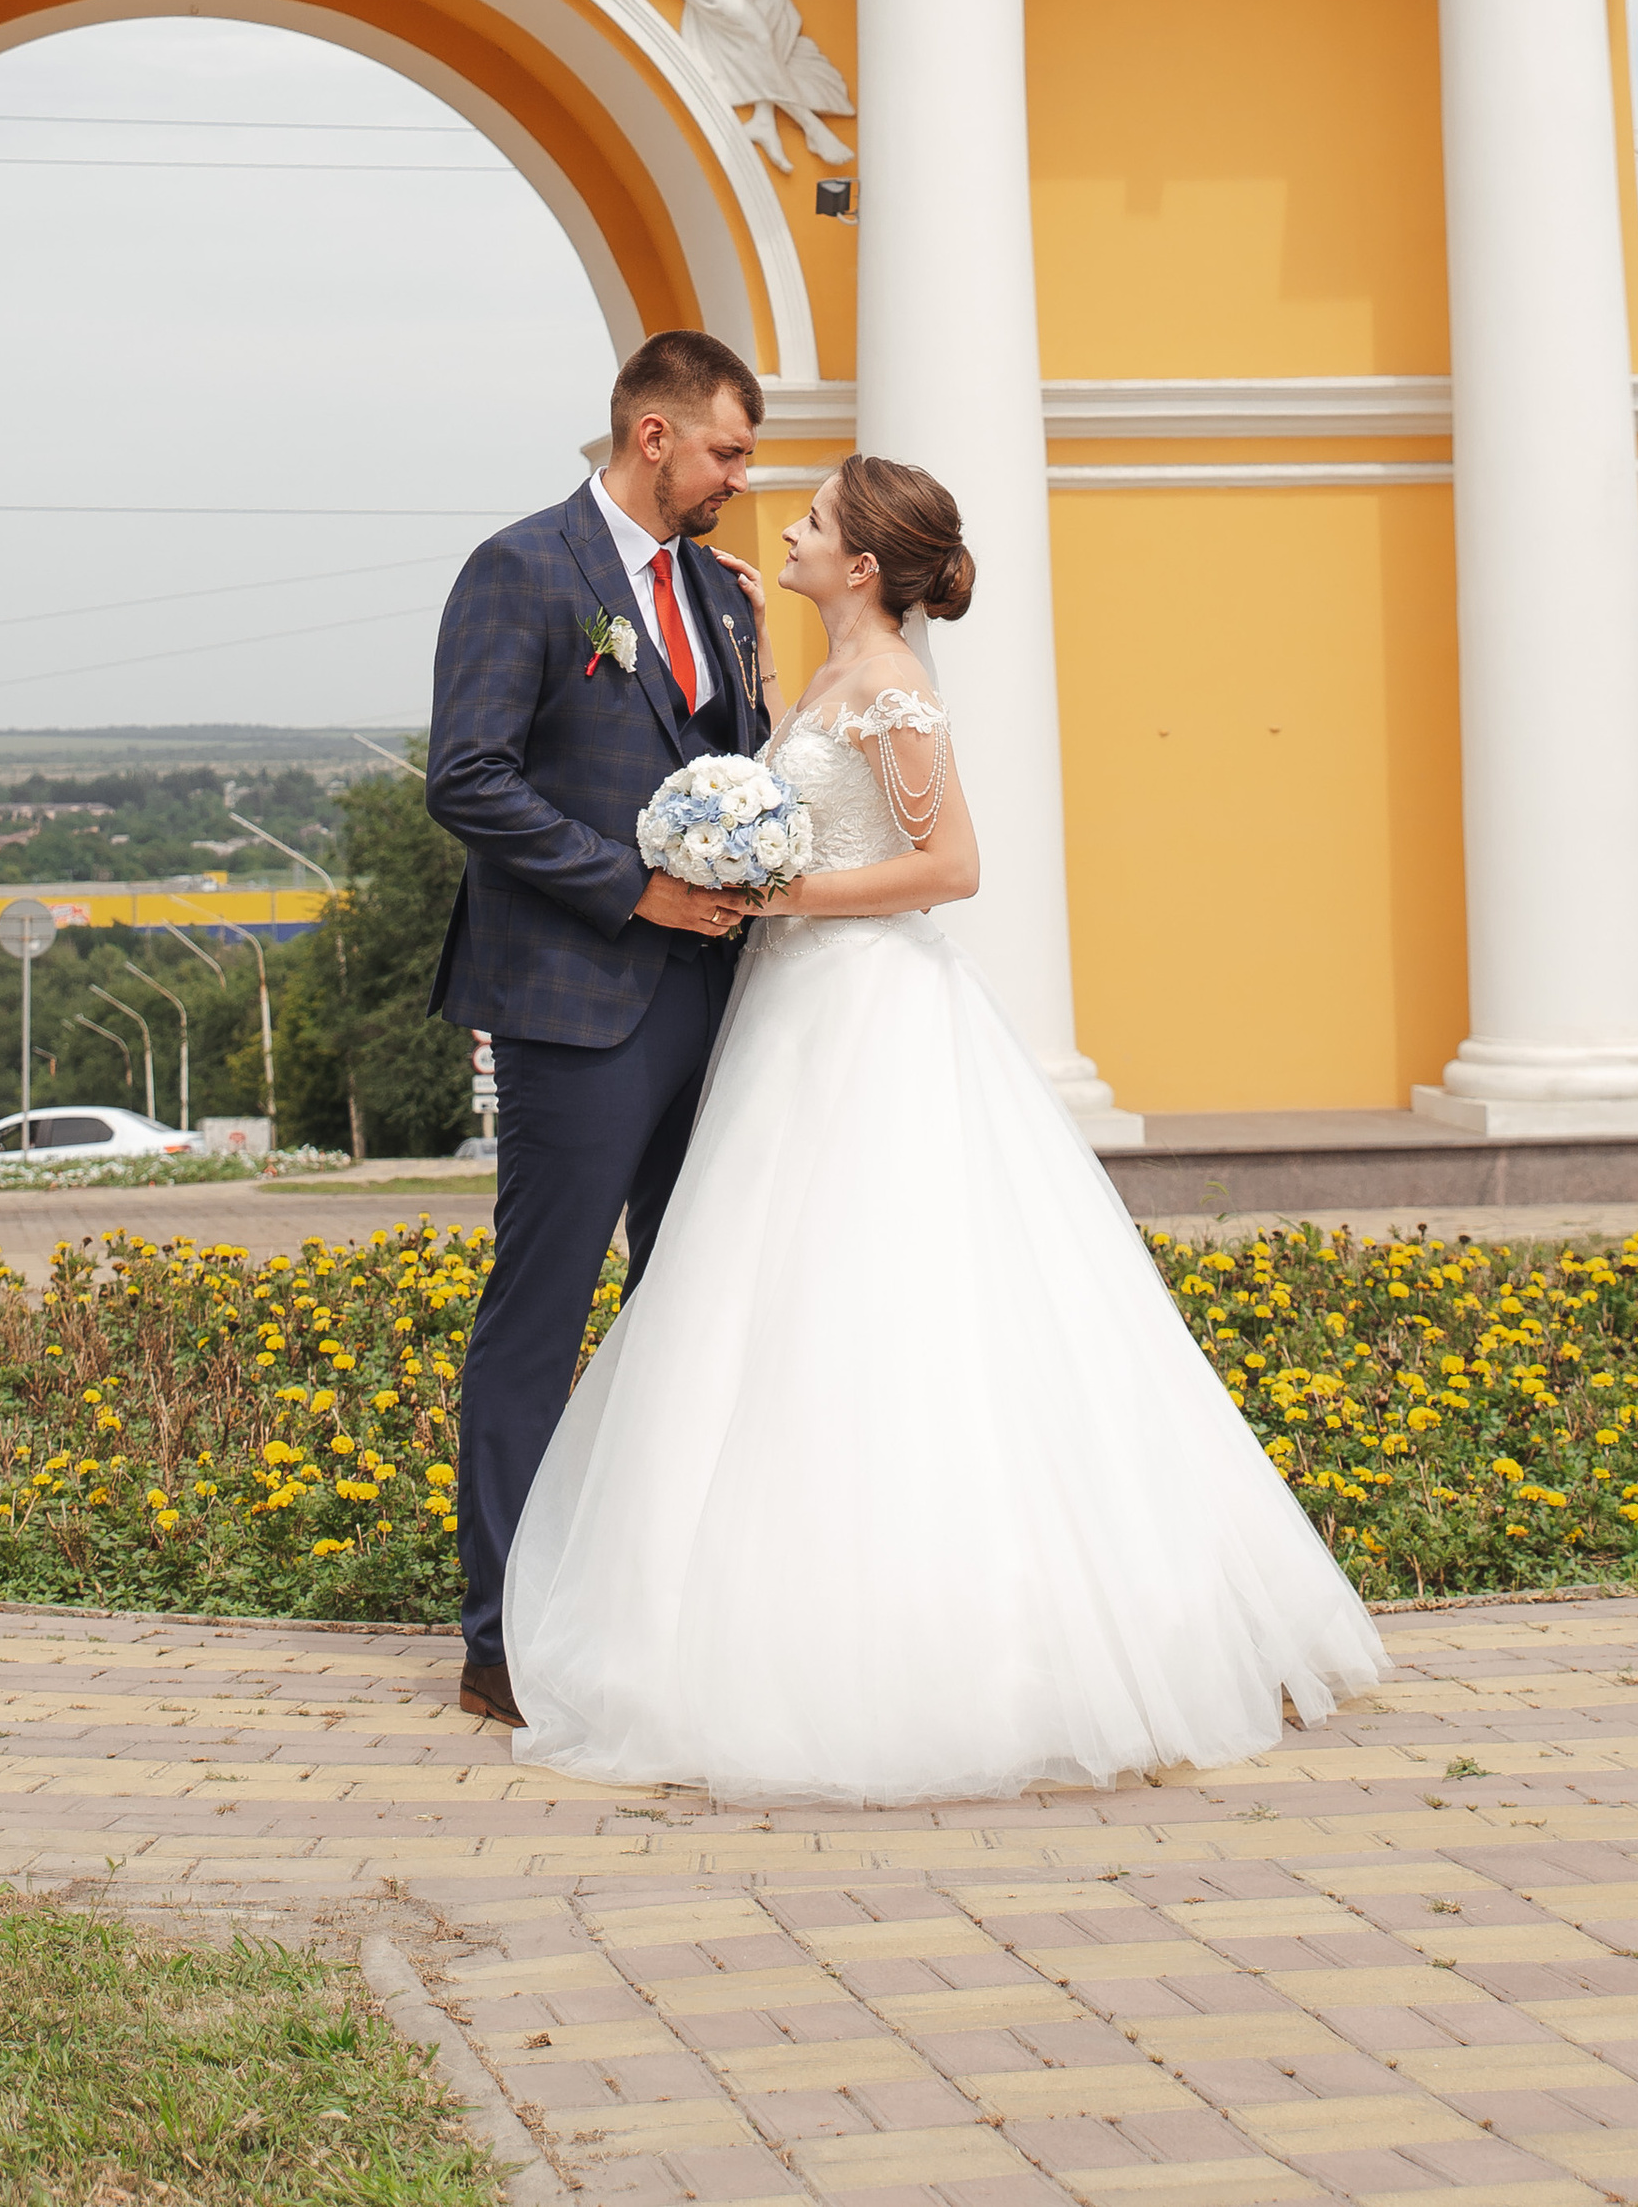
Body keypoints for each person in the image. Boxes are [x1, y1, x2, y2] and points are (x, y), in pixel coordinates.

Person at [497, 454, 1391, 1804]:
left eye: (812, 522)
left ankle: (948, 1641)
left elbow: (950, 865)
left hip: (865, 1005)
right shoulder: (828, 672)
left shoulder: (891, 689)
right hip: (794, 1010)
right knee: (771, 1298)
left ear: (862, 565)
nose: (788, 529)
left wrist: (780, 894)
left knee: (881, 1296)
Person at [426, 330, 773, 1729]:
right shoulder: (521, 569)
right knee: (543, 1313)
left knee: (687, 1310)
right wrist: (636, 887)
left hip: (719, 1003)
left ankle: (654, 1607)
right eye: (726, 452)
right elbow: (468, 777)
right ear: (653, 434)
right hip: (575, 1006)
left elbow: (737, 768)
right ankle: (501, 1640)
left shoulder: (722, 595)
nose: (739, 479)